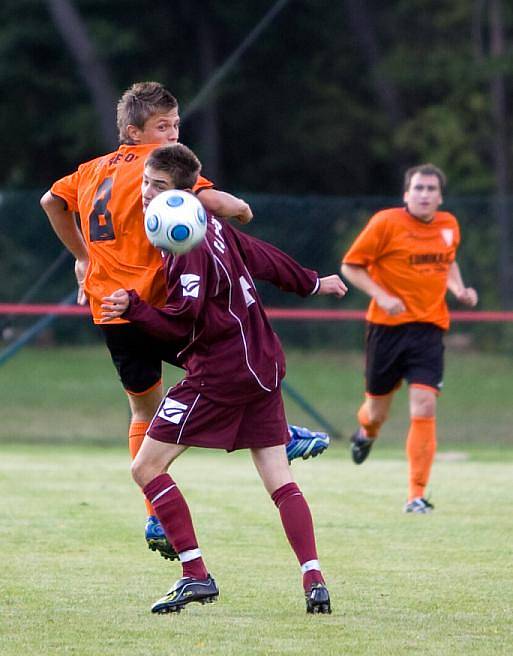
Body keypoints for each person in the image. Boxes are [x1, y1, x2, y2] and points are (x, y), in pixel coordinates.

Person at [40, 82, 329, 561]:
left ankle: (156, 512)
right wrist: (239, 207)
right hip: (163, 310)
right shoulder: (157, 171)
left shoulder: (89, 171)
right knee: (230, 360)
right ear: (135, 132)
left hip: (111, 308)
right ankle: (277, 432)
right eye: (163, 127)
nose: (173, 133)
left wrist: (83, 257)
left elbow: (51, 202)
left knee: (144, 410)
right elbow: (216, 204)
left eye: (176, 125)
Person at [101, 142, 348, 614]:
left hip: (222, 373)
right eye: (146, 182)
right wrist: (312, 282)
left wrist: (134, 308)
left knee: (145, 468)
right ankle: (314, 579)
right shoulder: (210, 224)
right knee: (279, 478)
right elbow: (262, 256)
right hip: (263, 364)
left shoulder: (184, 244)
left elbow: (180, 321)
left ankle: (196, 576)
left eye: (158, 186)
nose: (147, 193)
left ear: (184, 195)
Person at [341, 163, 478, 513]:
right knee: (376, 411)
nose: (425, 194)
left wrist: (459, 289)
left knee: (425, 404)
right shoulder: (386, 223)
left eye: (431, 189)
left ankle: (415, 495)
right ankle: (366, 434)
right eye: (418, 188)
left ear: (440, 196)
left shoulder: (449, 225)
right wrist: (382, 296)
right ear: (406, 194)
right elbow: (351, 266)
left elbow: (447, 262)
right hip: (386, 330)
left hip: (429, 328)